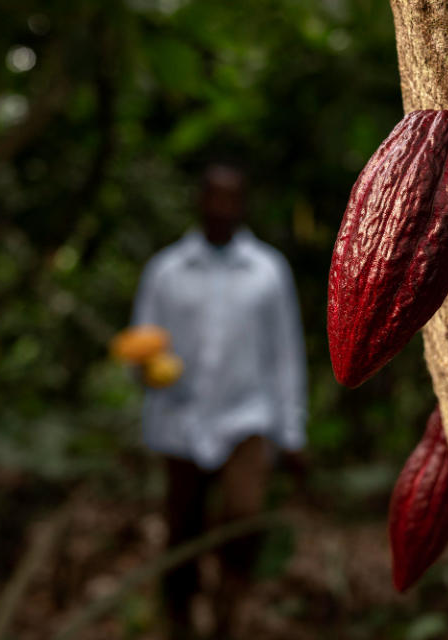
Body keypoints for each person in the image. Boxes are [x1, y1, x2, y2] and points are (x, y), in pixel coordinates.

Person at [131, 164, 307, 639]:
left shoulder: (268, 271)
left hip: (247, 420)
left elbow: (285, 353)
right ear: (201, 201)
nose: (222, 208)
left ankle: (229, 617)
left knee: (241, 526)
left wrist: (291, 432)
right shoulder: (166, 271)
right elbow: (142, 344)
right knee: (182, 530)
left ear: (243, 205)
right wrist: (147, 367)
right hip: (179, 420)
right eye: (215, 197)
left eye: (233, 199)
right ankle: (179, 619)